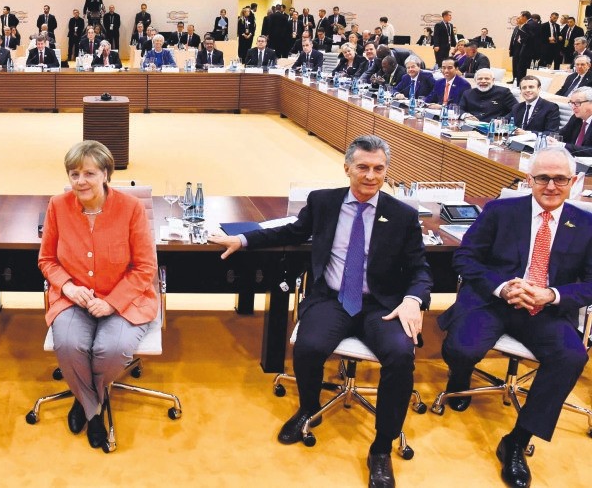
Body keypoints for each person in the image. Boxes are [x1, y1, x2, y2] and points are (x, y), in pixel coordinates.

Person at [209, 135, 430, 487]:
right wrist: (244, 239)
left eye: (379, 169)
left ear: (386, 171)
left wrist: (413, 299)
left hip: (382, 305)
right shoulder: (324, 202)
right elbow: (293, 230)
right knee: (309, 347)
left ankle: (382, 446)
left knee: (401, 356)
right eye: (363, 167)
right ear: (347, 168)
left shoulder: (402, 215)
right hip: (333, 299)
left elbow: (420, 269)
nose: (371, 176)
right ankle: (308, 409)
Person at [438, 146, 592, 488]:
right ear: (529, 179)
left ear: (575, 182)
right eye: (542, 178)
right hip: (493, 302)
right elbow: (465, 258)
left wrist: (553, 294)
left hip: (547, 310)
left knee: (571, 356)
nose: (551, 186)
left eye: (560, 179)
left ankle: (516, 442)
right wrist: (503, 287)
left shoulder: (587, 224)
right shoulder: (500, 211)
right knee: (461, 349)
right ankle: (460, 377)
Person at [38, 140, 157, 450]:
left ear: (106, 174)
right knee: (68, 344)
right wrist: (67, 287)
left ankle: (84, 397)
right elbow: (47, 260)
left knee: (112, 349)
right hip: (73, 297)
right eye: (74, 174)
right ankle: (94, 411)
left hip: (125, 299)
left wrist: (111, 302)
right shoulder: (57, 206)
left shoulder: (131, 209)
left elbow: (145, 268)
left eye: (89, 173)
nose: (81, 182)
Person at [557, 87, 592, 155]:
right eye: (572, 103)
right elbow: (561, 134)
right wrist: (539, 135)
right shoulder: (576, 118)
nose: (573, 107)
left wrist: (563, 146)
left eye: (577, 103)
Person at [511, 11, 541, 85]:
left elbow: (530, 37)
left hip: (527, 50)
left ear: (524, 17)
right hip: (529, 50)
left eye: (520, 17)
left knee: (522, 69)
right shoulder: (533, 23)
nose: (520, 18)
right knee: (522, 68)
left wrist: (521, 39)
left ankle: (520, 84)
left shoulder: (529, 24)